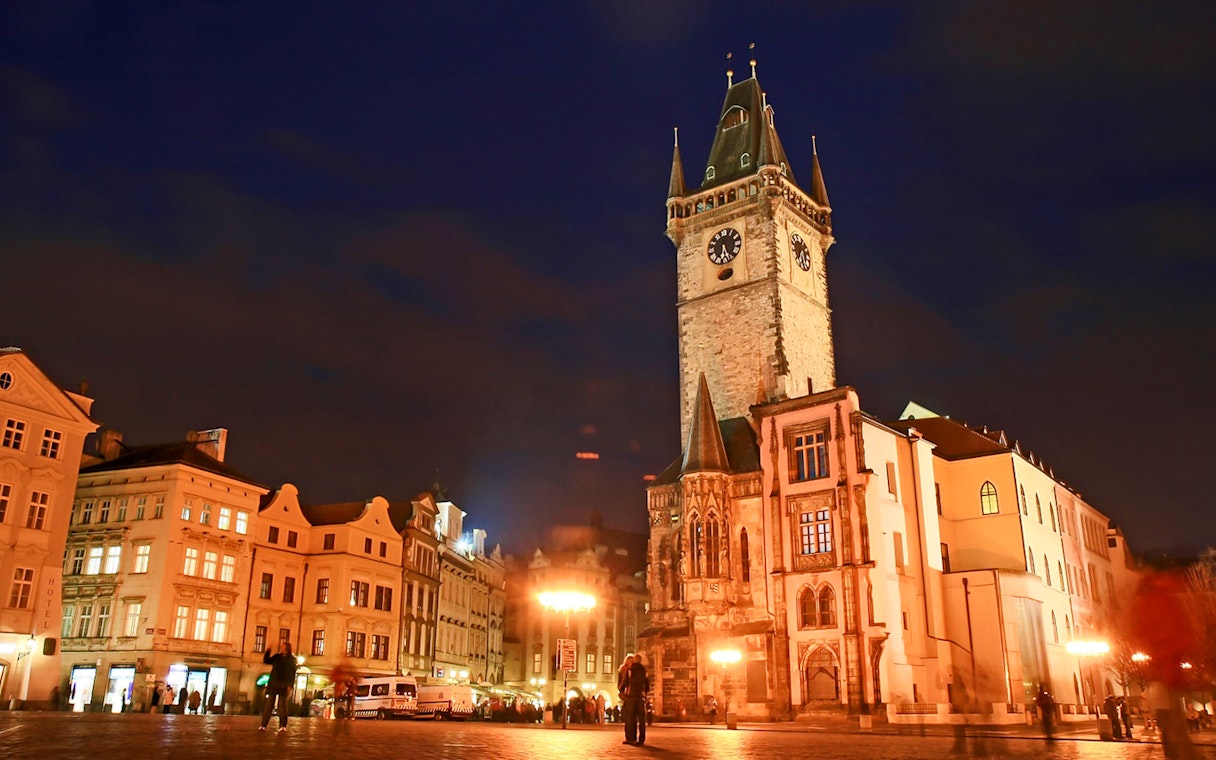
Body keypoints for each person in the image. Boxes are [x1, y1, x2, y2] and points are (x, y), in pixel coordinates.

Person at [259, 641, 298, 733]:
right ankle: (263, 725)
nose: (282, 648)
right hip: (274, 683)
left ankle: (283, 726)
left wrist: (290, 685)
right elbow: (266, 660)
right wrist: (268, 650)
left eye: (284, 647)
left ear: (287, 648)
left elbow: (292, 673)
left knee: (282, 706)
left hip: (283, 684)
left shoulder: (291, 659)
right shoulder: (277, 657)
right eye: (282, 646)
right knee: (269, 705)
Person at [621, 653, 650, 745]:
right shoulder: (645, 671)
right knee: (641, 719)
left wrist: (621, 688)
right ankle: (641, 739)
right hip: (640, 697)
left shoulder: (630, 670)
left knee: (630, 718)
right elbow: (647, 686)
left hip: (631, 697)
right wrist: (644, 692)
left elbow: (625, 683)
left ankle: (631, 738)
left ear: (633, 661)